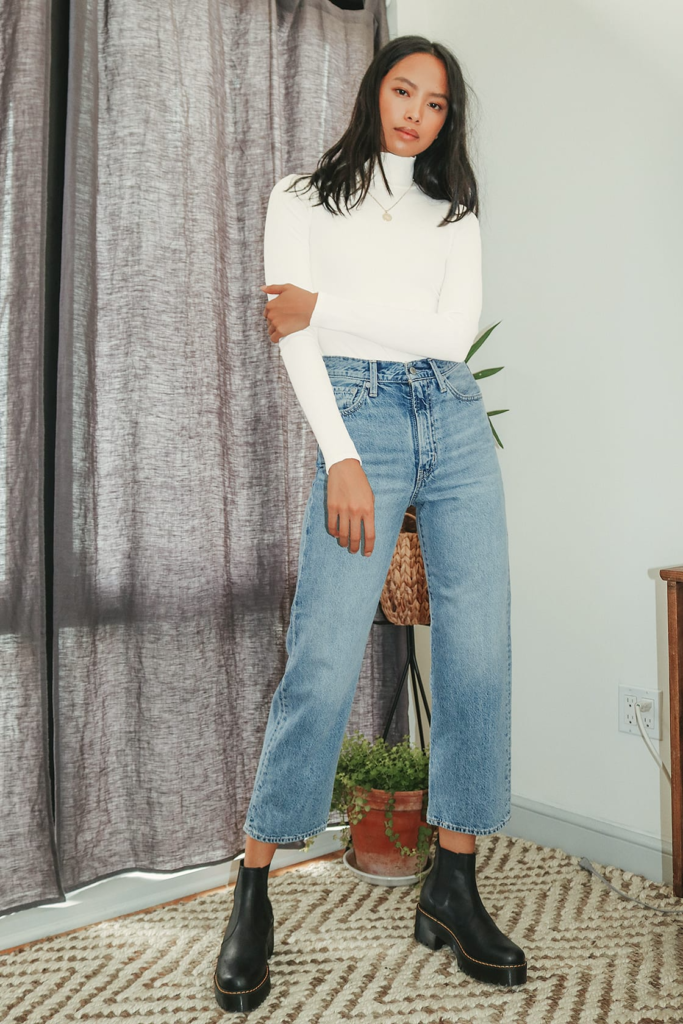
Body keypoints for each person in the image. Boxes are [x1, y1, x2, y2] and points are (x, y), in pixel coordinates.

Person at [213, 34, 527, 1014]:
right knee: (321, 648)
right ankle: (254, 887)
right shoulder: (298, 196)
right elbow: (287, 327)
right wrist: (340, 452)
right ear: (373, 90)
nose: (415, 113)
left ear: (446, 119)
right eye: (403, 91)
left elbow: (447, 334)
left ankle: (452, 882)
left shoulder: (452, 209)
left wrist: (329, 302)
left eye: (435, 104)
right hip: (358, 414)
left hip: (451, 414)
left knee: (479, 651)